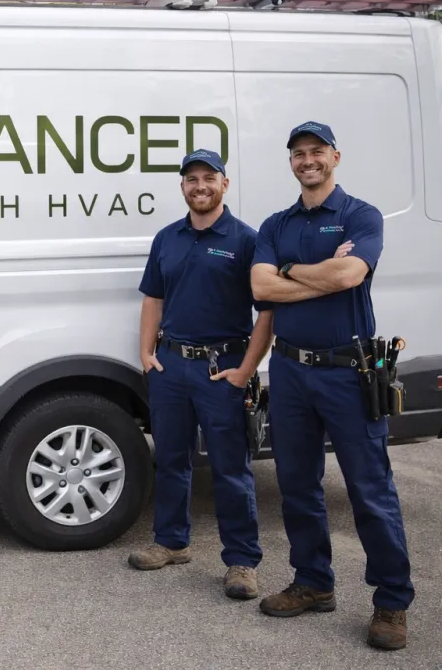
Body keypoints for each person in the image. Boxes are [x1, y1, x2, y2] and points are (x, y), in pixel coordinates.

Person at [250, 121, 412, 651]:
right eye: (298, 153)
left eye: (316, 151)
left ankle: (391, 600)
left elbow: (349, 277)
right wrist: (315, 271)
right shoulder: (275, 224)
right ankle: (313, 582)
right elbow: (259, 285)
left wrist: (289, 271)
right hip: (290, 371)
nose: (307, 160)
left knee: (369, 490)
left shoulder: (361, 215)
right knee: (297, 486)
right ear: (291, 162)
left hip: (349, 371)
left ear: (334, 157)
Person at [129, 149, 274, 601]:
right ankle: (172, 542)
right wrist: (146, 353)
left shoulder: (246, 240)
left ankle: (242, 561)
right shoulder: (167, 238)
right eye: (191, 179)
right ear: (182, 187)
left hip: (221, 369)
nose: (200, 186)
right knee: (171, 460)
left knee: (231, 468)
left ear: (224, 184)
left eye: (209, 177)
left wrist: (247, 368)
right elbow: (153, 298)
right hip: (171, 366)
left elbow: (267, 310)